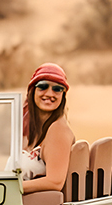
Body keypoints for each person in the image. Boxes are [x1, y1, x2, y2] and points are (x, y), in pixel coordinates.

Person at [19, 63, 74, 197]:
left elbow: (55, 181)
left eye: (57, 89)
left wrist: (9, 187)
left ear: (63, 95)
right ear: (32, 91)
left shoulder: (58, 129)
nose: (49, 94)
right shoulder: (28, 127)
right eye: (42, 86)